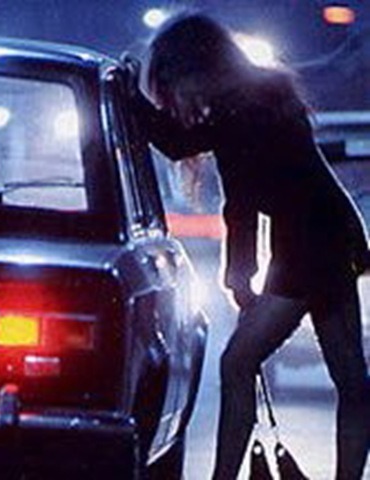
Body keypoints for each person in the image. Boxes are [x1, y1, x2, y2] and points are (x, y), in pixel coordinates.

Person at [125, 11, 370, 480]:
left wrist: (238, 277)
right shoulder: (261, 95)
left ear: (196, 67)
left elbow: (236, 201)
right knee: (350, 380)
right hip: (328, 235)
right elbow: (201, 160)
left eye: (172, 81)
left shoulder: (240, 112)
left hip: (309, 245)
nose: (175, 94)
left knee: (237, 364)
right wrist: (241, 276)